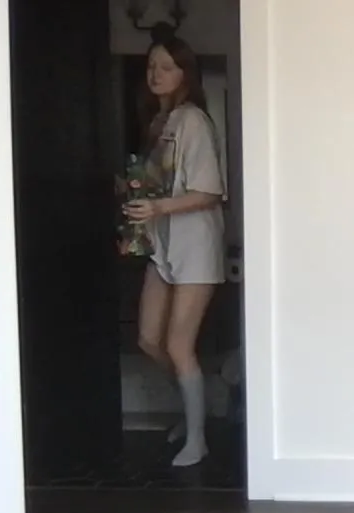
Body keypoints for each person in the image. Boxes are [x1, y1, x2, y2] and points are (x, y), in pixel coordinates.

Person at [123, 29, 225, 467]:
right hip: (161, 243)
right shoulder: (158, 122)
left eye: (166, 67)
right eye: (151, 66)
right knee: (149, 339)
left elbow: (209, 192)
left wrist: (158, 206)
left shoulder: (193, 121)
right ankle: (195, 404)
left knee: (179, 345)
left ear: (185, 73)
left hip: (195, 245)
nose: (156, 74)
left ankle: (197, 437)